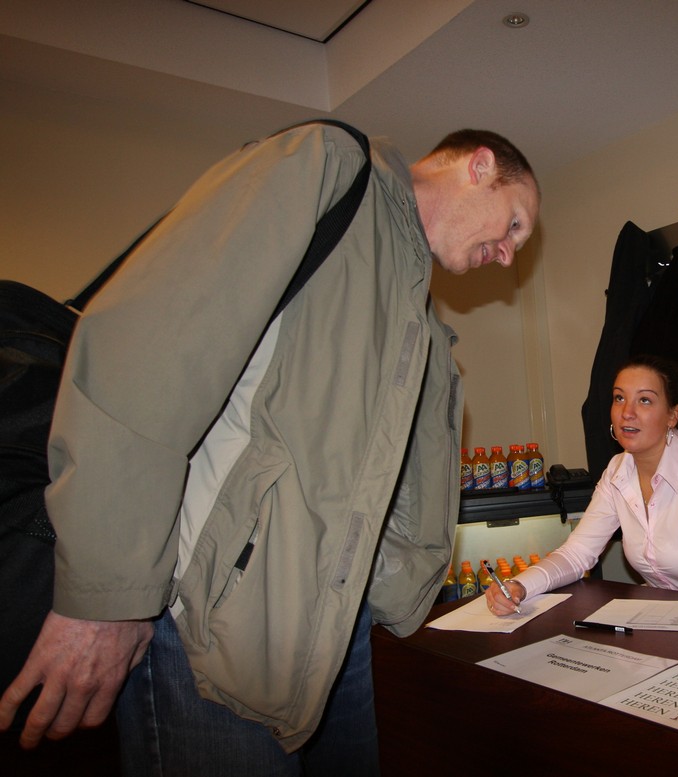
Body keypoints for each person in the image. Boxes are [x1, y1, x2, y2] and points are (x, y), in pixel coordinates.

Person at [0, 122, 539, 774]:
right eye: (513, 225)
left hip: (331, 633)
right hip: (212, 624)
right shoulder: (326, 166)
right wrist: (107, 597)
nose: (507, 256)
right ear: (479, 166)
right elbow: (148, 355)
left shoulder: (410, 305)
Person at [486, 354, 678, 666]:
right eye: (619, 398)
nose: (627, 412)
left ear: (673, 415)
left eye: (645, 400)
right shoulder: (617, 471)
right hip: (669, 627)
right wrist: (520, 586)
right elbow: (577, 554)